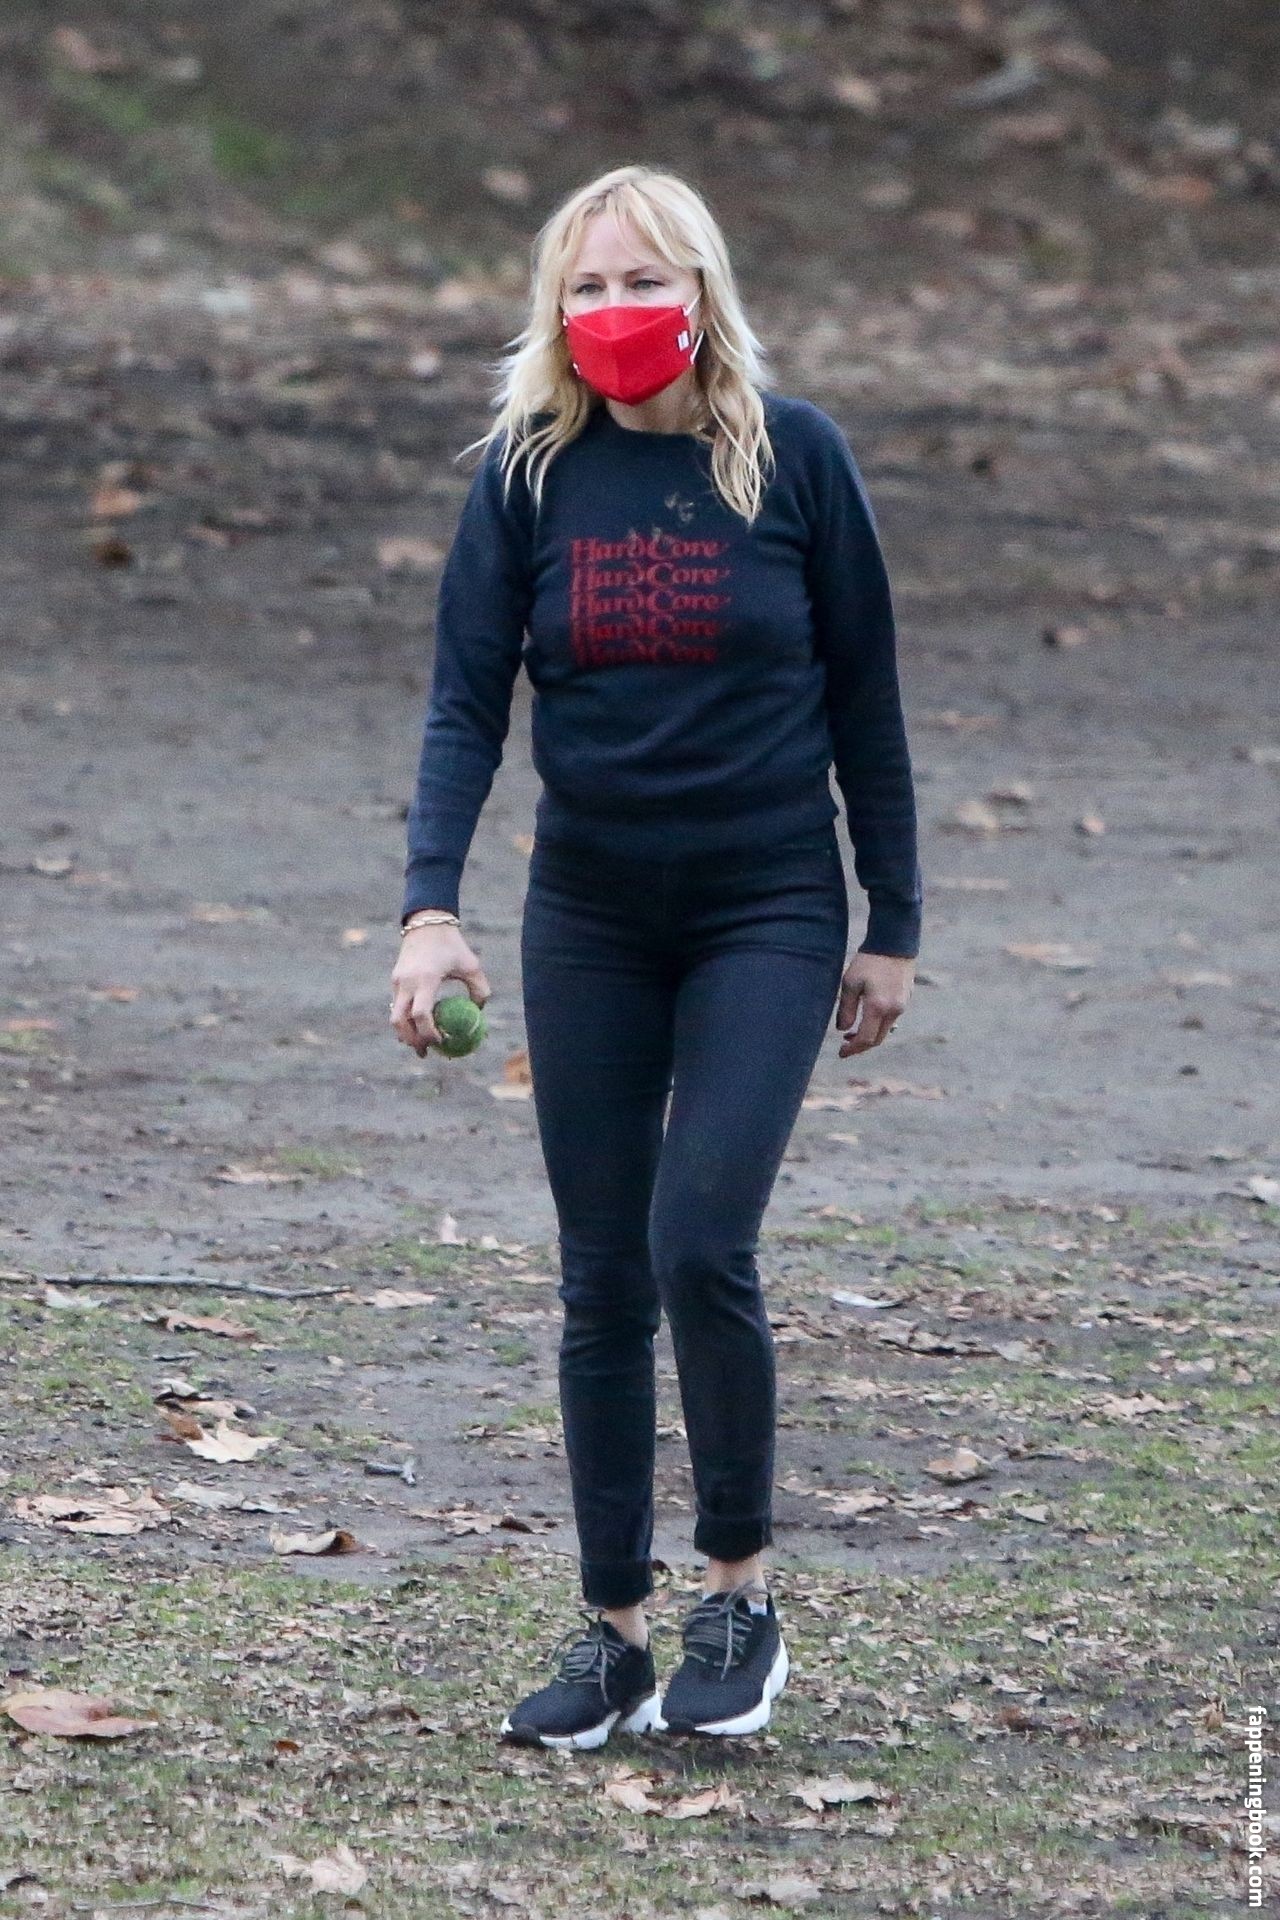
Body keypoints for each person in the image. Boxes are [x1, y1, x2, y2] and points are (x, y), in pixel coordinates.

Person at [389, 164, 922, 1750]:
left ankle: (739, 1600)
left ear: (702, 293)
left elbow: (869, 698)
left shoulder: (796, 458)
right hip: (592, 914)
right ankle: (614, 1632)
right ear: (555, 309)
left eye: (644, 280)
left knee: (700, 1239)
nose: (617, 310)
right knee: (602, 1273)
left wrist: (893, 923)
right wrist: (429, 909)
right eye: (589, 285)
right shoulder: (529, 476)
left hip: (767, 904)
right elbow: (464, 702)